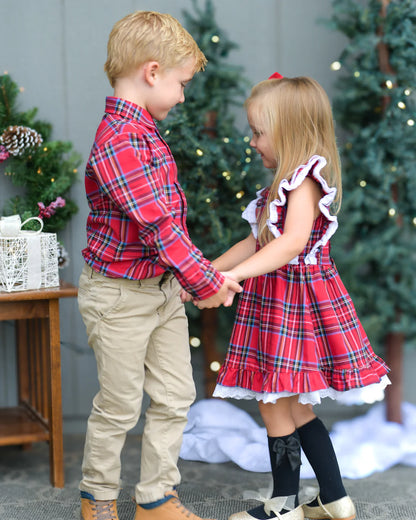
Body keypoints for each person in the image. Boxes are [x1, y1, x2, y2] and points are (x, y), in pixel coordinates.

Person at [201, 74, 390, 520]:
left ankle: (284, 504)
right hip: (280, 302)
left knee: (273, 403)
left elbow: (288, 244)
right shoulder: (281, 186)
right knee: (293, 405)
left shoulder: (304, 181)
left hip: (293, 305)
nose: (252, 142)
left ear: (288, 130)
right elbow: (256, 241)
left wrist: (235, 278)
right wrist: (212, 271)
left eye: (258, 131)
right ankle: (333, 497)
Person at [77, 10, 241, 520]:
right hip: (119, 296)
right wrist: (207, 279)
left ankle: (155, 498)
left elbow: (167, 225)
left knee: (175, 395)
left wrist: (186, 279)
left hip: (162, 291)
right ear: (152, 72)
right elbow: (157, 225)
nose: (184, 95)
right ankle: (98, 499)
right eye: (181, 83)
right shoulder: (119, 141)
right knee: (121, 404)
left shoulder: (145, 132)